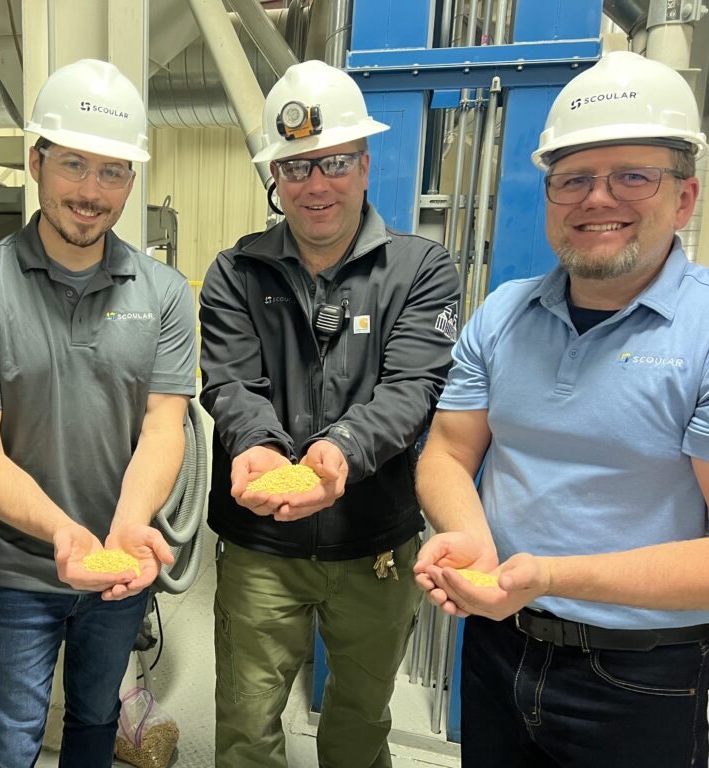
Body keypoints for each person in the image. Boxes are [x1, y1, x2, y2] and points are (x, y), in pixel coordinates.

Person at [413, 51, 709, 767]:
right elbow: (449, 454)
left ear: (686, 197)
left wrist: (549, 575)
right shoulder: (505, 312)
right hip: (495, 645)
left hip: (642, 674)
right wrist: (472, 538)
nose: (597, 199)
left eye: (632, 176)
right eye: (573, 178)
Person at [0, 58, 197, 768]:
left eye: (112, 172)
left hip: (119, 567)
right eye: (73, 164)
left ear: (131, 180)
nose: (91, 191)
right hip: (18, 570)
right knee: (11, 742)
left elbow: (164, 426)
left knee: (95, 724)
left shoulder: (165, 293)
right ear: (36, 162)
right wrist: (61, 533)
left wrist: (128, 527)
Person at [198, 59, 461, 768]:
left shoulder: (421, 269)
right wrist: (256, 444)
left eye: (334, 162)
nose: (315, 185)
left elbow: (412, 387)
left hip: (374, 545)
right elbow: (230, 382)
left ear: (365, 164)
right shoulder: (236, 272)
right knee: (247, 728)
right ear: (276, 180)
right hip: (260, 549)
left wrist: (340, 449)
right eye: (295, 168)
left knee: (359, 722)